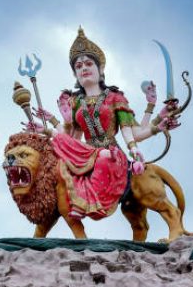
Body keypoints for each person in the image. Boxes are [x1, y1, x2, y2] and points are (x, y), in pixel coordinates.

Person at [31, 27, 179, 221]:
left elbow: (129, 131)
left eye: (88, 63)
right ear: (76, 75)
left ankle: (88, 203)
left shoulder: (115, 97)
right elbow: (72, 139)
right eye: (78, 66)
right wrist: (49, 129)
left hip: (110, 154)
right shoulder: (76, 102)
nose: (83, 68)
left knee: (103, 156)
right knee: (58, 153)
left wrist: (136, 148)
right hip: (86, 153)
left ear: (100, 69)